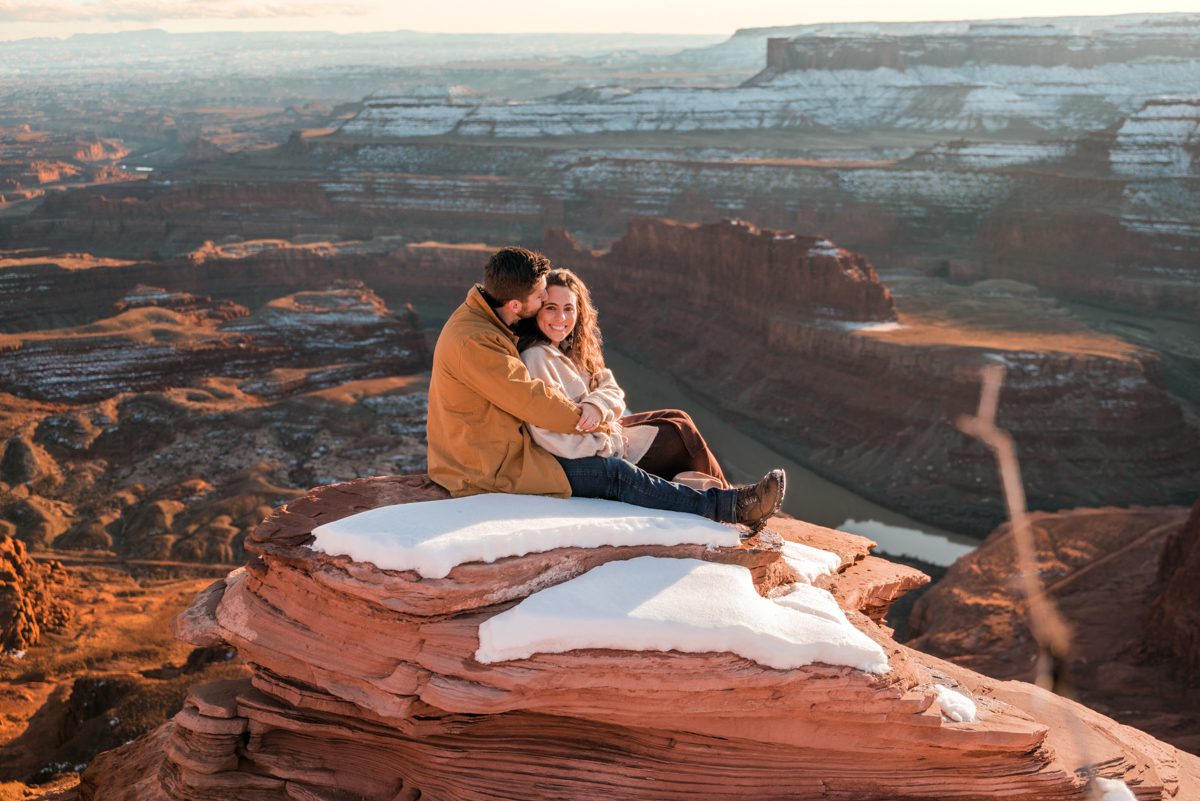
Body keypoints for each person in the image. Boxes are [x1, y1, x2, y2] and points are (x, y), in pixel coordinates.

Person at [426, 245, 785, 531]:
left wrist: (599, 409)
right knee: (615, 475)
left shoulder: (493, 321)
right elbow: (535, 405)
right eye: (543, 301)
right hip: (489, 467)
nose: (552, 312)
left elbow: (604, 382)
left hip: (519, 445)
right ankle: (728, 508)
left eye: (568, 308)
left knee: (674, 424)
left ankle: (726, 498)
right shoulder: (478, 342)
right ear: (519, 305)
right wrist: (598, 424)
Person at [516, 268, 728, 491]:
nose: (561, 318)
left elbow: (612, 388)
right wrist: (612, 444)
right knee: (676, 435)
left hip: (604, 435)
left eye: (569, 309)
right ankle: (729, 500)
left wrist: (596, 405)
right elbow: (551, 437)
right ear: (536, 311)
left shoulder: (571, 350)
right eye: (551, 308)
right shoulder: (536, 357)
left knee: (678, 418)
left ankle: (723, 496)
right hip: (594, 455)